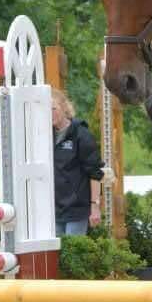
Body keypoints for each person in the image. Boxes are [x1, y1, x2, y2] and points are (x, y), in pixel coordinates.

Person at [51, 91, 104, 238]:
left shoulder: (81, 134)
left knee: (72, 254)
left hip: (76, 210)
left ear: (64, 107)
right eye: (46, 110)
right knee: (57, 258)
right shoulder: (44, 135)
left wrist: (95, 207)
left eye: (53, 108)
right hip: (54, 210)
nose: (50, 114)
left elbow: (94, 173)